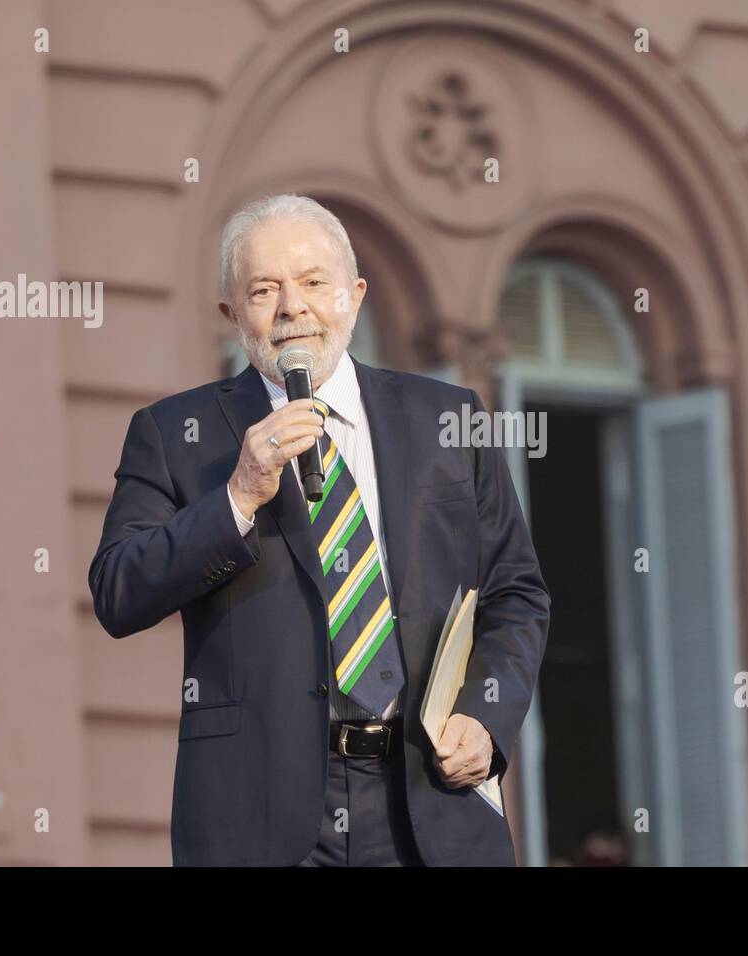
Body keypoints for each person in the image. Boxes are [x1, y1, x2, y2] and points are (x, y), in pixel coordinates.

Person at [88, 193, 550, 866]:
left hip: (426, 798)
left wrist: (487, 716)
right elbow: (118, 591)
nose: (291, 308)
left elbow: (516, 592)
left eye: (312, 283)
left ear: (354, 295)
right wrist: (239, 495)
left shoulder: (449, 417)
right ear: (231, 314)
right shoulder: (174, 436)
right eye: (264, 290)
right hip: (261, 813)